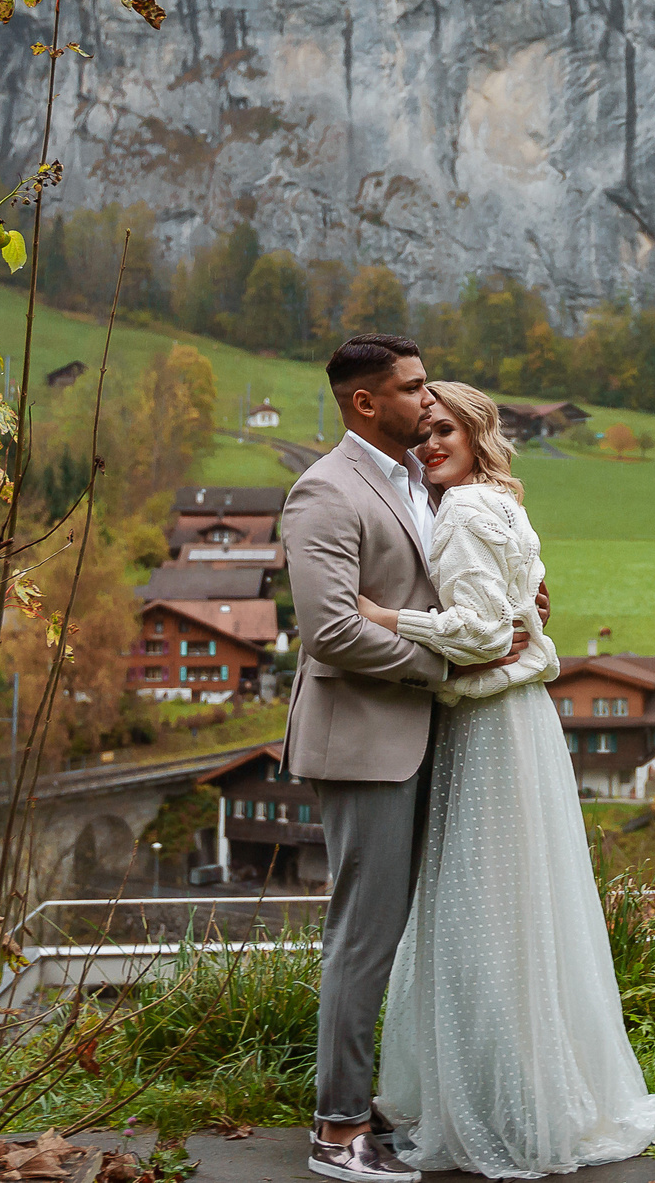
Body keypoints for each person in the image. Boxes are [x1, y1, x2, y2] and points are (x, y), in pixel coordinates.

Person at [365, 381, 655, 1177]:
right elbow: (520, 612)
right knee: (524, 903)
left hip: (484, 725)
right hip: (521, 718)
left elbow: (478, 632)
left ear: (475, 432)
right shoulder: (499, 500)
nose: (429, 444)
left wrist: (386, 617)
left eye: (443, 429)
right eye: (419, 434)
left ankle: (496, 1104)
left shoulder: (464, 509)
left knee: (481, 906)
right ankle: (531, 1091)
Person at [283, 335, 533, 1183]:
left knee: (425, 930)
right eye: (414, 387)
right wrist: (447, 666)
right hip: (365, 744)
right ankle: (338, 1127)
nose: (431, 401)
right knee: (364, 936)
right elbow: (331, 630)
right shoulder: (325, 490)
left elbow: (452, 590)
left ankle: (389, 1100)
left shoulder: (421, 483)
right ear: (366, 401)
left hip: (431, 733)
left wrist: (515, 604)